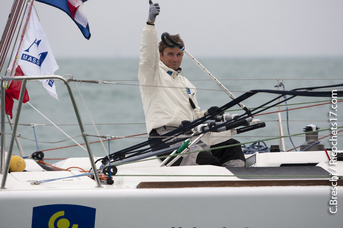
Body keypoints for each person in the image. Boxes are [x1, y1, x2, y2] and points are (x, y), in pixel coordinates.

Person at [138, 1, 245, 167]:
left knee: (233, 147)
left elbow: (192, 116)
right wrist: (150, 24)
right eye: (170, 54)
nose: (175, 58)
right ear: (160, 55)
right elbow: (146, 55)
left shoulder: (185, 82)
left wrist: (206, 114)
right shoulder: (152, 75)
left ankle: (235, 187)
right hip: (165, 138)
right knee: (207, 161)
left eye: (179, 54)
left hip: (191, 135)